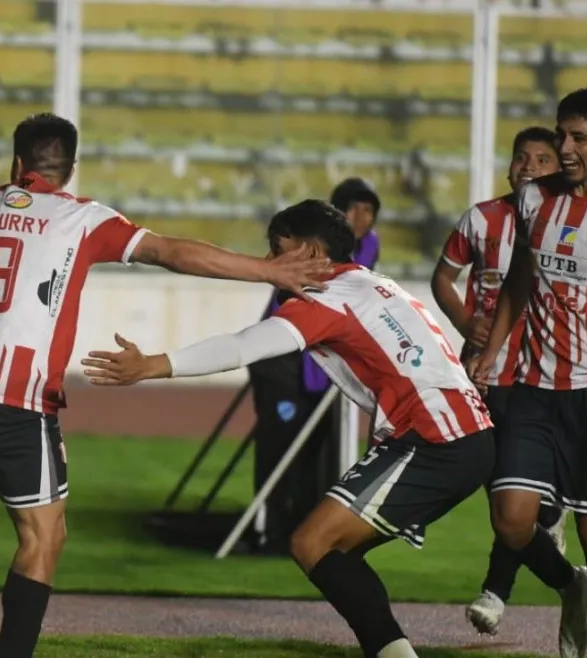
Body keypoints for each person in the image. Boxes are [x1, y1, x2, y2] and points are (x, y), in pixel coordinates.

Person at [0, 112, 333, 658]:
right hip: (18, 394)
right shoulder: (84, 219)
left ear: (17, 163)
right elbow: (171, 250)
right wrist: (267, 271)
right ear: (68, 168)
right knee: (43, 538)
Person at [81, 199, 496, 658]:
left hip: (433, 438)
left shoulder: (326, 297)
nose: (267, 266)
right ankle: (564, 581)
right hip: (460, 433)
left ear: (313, 255)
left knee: (312, 542)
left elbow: (244, 346)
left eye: (277, 251)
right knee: (334, 551)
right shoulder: (372, 284)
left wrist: (153, 365)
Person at [471, 88, 587, 657]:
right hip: (533, 389)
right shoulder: (534, 201)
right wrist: (492, 352)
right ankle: (571, 588)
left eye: (579, 139)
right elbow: (521, 277)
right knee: (513, 523)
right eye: (561, 135)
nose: (564, 148)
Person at [430, 126, 565, 635]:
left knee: (510, 494)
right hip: (482, 372)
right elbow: (443, 277)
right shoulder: (482, 219)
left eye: (542, 158)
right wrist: (466, 323)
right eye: (521, 157)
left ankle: (495, 591)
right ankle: (552, 535)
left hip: (540, 374)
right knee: (501, 495)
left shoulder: (565, 222)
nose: (529, 166)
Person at [248, 177, 382, 553]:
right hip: (284, 360)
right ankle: (268, 528)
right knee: (278, 447)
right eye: (352, 208)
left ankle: (302, 526)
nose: (361, 217)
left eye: (368, 210)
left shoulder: (368, 247)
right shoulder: (308, 247)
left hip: (322, 367)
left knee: (314, 451)